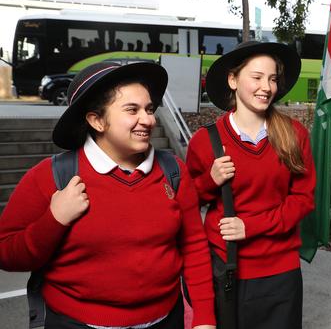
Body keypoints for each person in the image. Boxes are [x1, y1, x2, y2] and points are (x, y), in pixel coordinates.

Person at [0, 62, 216, 329]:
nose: (148, 119)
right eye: (132, 110)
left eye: (149, 109)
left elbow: (194, 246)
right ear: (97, 120)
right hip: (75, 323)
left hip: (165, 320)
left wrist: (204, 319)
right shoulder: (51, 176)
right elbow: (6, 252)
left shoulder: (173, 170)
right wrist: (54, 220)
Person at [185, 41, 315, 329]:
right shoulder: (205, 141)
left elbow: (303, 199)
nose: (266, 87)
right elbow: (185, 205)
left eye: (271, 79)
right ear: (233, 80)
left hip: (281, 273)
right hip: (227, 270)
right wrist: (210, 180)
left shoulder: (294, 134)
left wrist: (251, 226)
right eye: (256, 77)